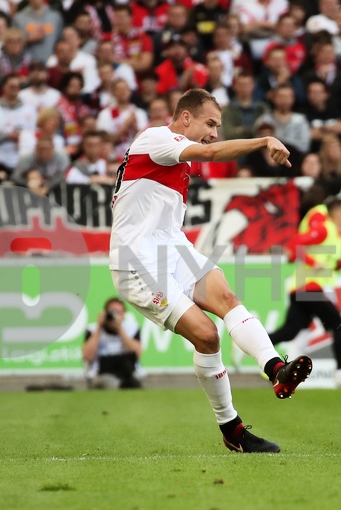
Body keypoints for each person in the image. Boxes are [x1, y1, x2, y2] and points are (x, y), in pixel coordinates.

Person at [109, 89, 312, 454]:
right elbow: (212, 153)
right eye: (211, 123)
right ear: (185, 117)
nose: (215, 133)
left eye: (217, 126)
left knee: (228, 298)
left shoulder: (176, 159)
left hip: (173, 250)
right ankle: (232, 430)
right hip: (136, 261)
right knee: (207, 336)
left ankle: (276, 370)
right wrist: (264, 139)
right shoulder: (157, 139)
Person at [268, 197, 341, 388]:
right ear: (337, 212)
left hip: (305, 288)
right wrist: (315, 264)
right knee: (338, 326)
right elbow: (295, 243)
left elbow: (330, 265)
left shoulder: (339, 237)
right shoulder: (324, 229)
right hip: (309, 287)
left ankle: (259, 350)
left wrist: (340, 264)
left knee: (291, 331)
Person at [83, 297, 145, 389]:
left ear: (124, 315)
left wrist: (120, 329)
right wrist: (99, 327)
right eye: (112, 312)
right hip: (101, 374)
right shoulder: (93, 330)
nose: (115, 316)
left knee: (132, 381)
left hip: (128, 373)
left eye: (119, 313)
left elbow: (137, 354)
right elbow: (88, 356)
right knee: (109, 382)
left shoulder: (132, 329)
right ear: (105, 313)